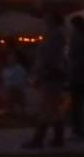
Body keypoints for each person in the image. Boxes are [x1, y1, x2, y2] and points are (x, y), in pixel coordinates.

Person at [25, 12, 68, 149]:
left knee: (46, 107)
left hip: (51, 74)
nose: (45, 19)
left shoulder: (54, 35)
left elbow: (48, 57)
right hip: (53, 73)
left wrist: (40, 73)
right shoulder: (56, 34)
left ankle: (39, 139)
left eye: (47, 17)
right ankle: (58, 138)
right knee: (53, 108)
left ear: (53, 20)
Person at [0, 50, 29, 117]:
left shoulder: (20, 69)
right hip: (7, 89)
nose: (10, 60)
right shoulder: (5, 70)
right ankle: (9, 112)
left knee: (11, 95)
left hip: (17, 90)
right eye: (9, 58)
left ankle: (20, 113)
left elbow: (21, 81)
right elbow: (4, 81)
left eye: (12, 58)